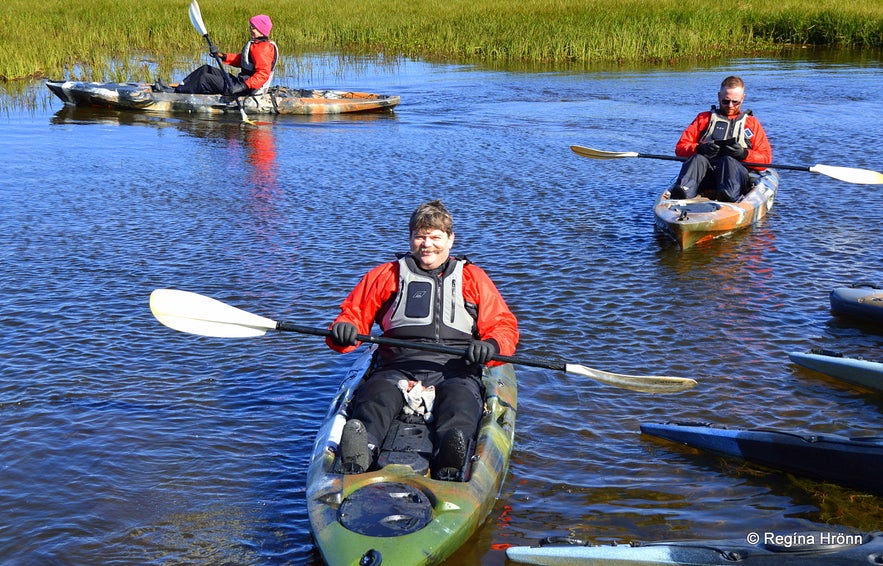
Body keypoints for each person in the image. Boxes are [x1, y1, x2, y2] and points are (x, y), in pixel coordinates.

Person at [325, 200, 519, 480]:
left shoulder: (473, 279)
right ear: (410, 238)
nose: (427, 245)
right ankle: (360, 452)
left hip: (455, 367)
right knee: (375, 398)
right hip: (397, 364)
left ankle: (451, 457)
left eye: (435, 237)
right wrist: (344, 330)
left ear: (450, 240)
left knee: (460, 403)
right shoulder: (385, 276)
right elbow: (353, 315)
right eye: (420, 236)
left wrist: (490, 346)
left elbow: (503, 325)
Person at [670, 76, 773, 202]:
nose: (730, 106)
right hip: (705, 176)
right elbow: (680, 148)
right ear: (719, 96)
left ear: (742, 98)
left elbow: (765, 159)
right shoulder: (703, 119)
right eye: (725, 101)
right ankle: (683, 193)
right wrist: (699, 148)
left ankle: (727, 196)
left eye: (735, 102)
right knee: (697, 158)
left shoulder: (751, 124)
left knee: (728, 160)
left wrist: (744, 153)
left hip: (735, 177)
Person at [156, 15, 278, 96]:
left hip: (246, 89)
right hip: (240, 83)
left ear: (262, 30)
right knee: (205, 69)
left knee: (205, 79)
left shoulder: (264, 49)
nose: (250, 29)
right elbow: (243, 60)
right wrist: (221, 55)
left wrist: (242, 87)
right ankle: (181, 87)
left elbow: (262, 75)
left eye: (254, 27)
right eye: (251, 26)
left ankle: (176, 93)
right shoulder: (256, 44)